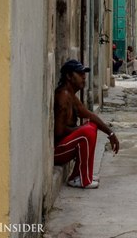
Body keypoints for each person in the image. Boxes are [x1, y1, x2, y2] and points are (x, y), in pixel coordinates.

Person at [54, 59, 120, 188]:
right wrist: (79, 130)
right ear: (69, 76)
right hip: (57, 152)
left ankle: (79, 175)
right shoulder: (63, 96)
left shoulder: (71, 95)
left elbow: (89, 115)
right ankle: (83, 179)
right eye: (80, 74)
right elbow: (58, 132)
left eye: (84, 74)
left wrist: (110, 133)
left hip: (66, 146)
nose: (84, 77)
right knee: (87, 131)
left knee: (92, 126)